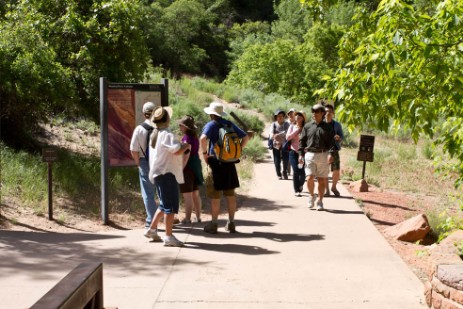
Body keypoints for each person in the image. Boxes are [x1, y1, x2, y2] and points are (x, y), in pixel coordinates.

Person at [144, 106, 191, 247]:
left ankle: (152, 230)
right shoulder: (166, 134)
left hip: (159, 173)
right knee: (170, 207)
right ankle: (168, 236)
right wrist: (186, 146)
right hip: (166, 173)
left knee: (164, 204)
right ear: (166, 119)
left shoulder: (155, 133)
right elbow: (176, 151)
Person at [200, 102, 249, 234]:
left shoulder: (211, 125)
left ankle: (214, 224)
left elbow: (203, 139)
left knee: (215, 196)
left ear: (211, 114)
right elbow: (246, 137)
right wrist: (236, 152)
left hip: (216, 162)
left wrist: (205, 154)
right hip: (229, 163)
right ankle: (231, 223)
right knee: (230, 194)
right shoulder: (229, 124)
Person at [298, 103, 335, 211]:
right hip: (310, 154)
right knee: (309, 178)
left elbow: (332, 143)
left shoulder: (328, 128)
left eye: (316, 112)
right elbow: (302, 141)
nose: (314, 114)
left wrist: (330, 154)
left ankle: (320, 201)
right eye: (313, 112)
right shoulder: (307, 126)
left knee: (322, 180)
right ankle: (311, 196)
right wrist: (300, 155)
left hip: (323, 155)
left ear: (322, 113)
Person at [130, 102, 157, 231]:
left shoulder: (139, 129)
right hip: (160, 163)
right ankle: (167, 217)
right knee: (161, 193)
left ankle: (151, 221)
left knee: (148, 193)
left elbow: (133, 150)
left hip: (145, 162)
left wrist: (138, 163)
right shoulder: (161, 129)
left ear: (143, 113)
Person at [178, 115, 204, 224]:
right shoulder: (195, 137)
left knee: (187, 194)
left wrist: (181, 169)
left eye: (181, 125)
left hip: (187, 169)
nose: (179, 127)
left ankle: (187, 218)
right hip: (195, 167)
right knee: (195, 193)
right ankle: (198, 217)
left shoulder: (186, 138)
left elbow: (186, 155)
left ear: (185, 127)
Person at [324, 104, 344, 197]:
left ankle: (334, 187)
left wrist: (338, 138)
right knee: (324, 171)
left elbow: (342, 137)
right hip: (323, 150)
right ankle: (326, 190)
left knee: (336, 170)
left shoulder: (337, 125)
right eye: (326, 111)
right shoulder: (320, 124)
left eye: (330, 111)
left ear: (333, 113)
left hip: (334, 150)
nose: (328, 113)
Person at [286, 111, 306, 196]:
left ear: (303, 118)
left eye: (300, 115)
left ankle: (301, 184)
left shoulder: (306, 128)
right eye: (297, 115)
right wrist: (297, 131)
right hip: (293, 151)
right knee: (296, 170)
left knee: (302, 172)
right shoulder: (292, 126)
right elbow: (287, 137)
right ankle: (296, 190)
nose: (298, 116)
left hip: (303, 153)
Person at [270, 109, 290, 180]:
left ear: (284, 117)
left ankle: (284, 172)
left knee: (286, 160)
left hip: (285, 144)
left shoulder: (287, 124)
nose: (280, 117)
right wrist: (274, 136)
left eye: (281, 116)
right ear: (276, 117)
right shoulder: (273, 124)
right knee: (276, 160)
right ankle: (278, 174)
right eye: (278, 116)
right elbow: (271, 134)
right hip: (276, 144)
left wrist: (278, 135)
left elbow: (288, 133)